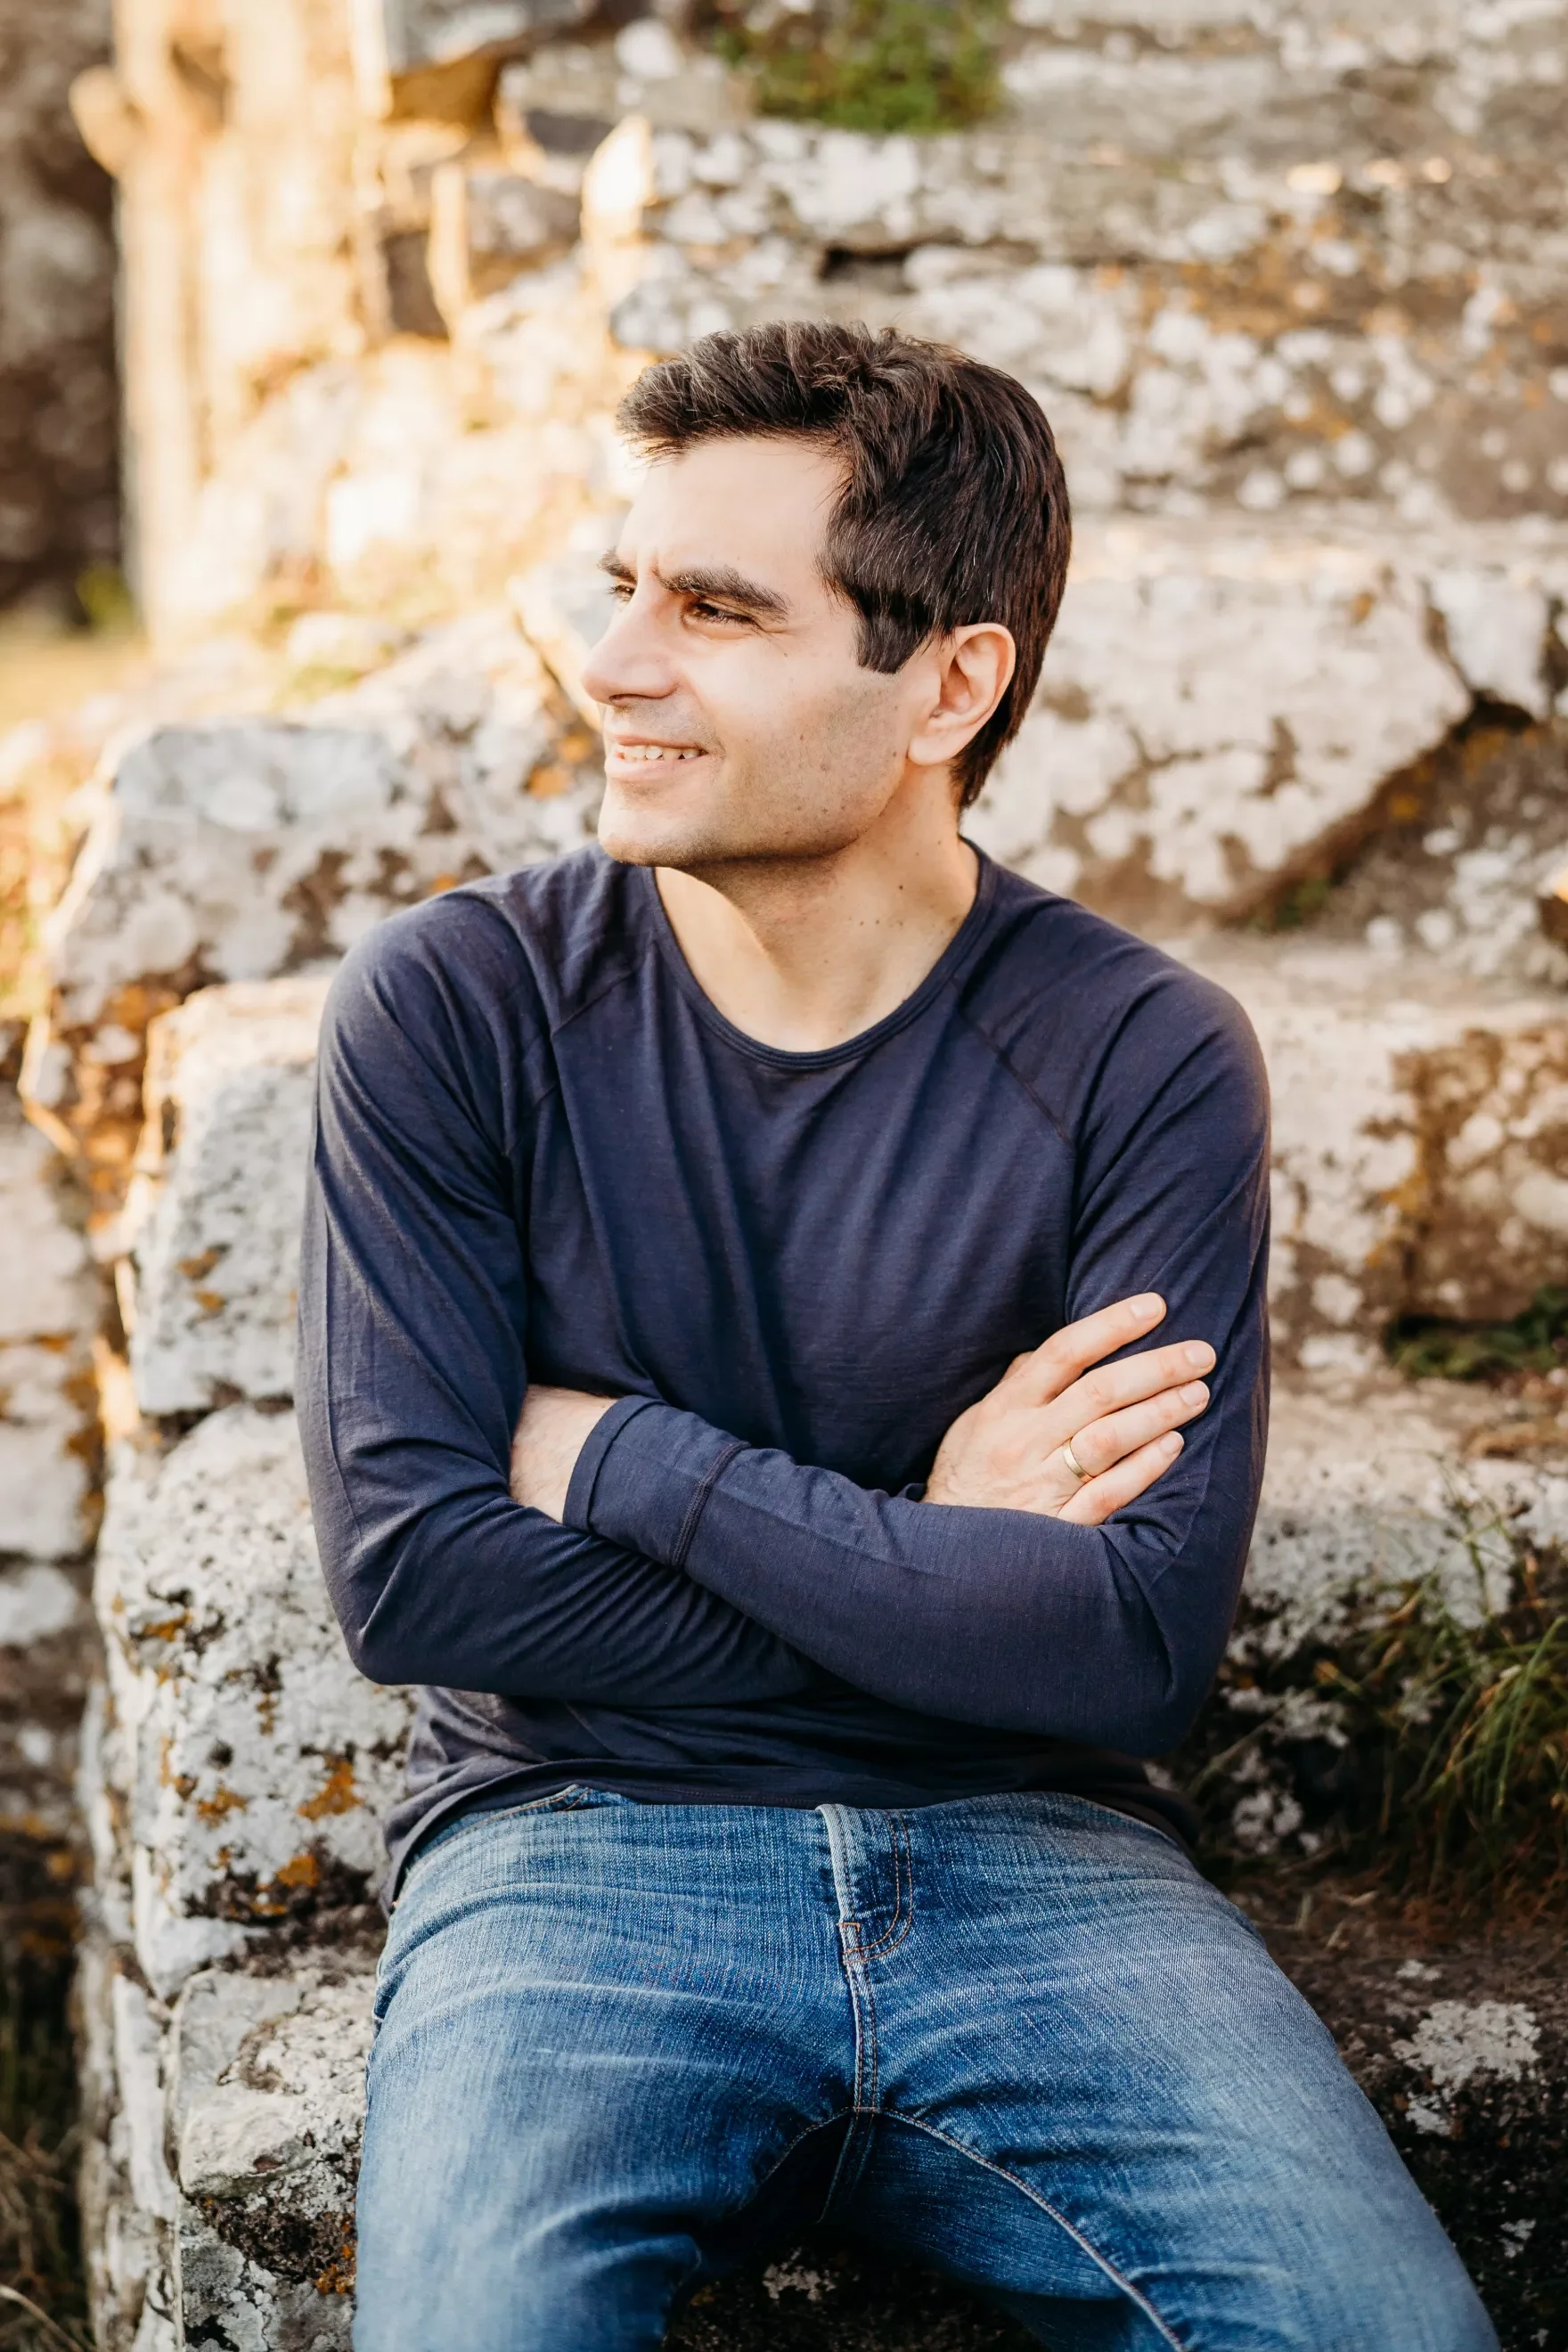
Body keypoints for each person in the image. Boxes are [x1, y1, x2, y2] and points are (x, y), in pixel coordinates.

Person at [298, 321, 1494, 2351]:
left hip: (1041, 1865)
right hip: (579, 1857)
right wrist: (932, 1561)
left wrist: (627, 1460)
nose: (614, 665)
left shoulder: (1136, 1055)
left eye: (718, 611)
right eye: (625, 588)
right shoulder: (455, 1005)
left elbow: (1127, 1650)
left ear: (950, 682)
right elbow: (419, 1577)